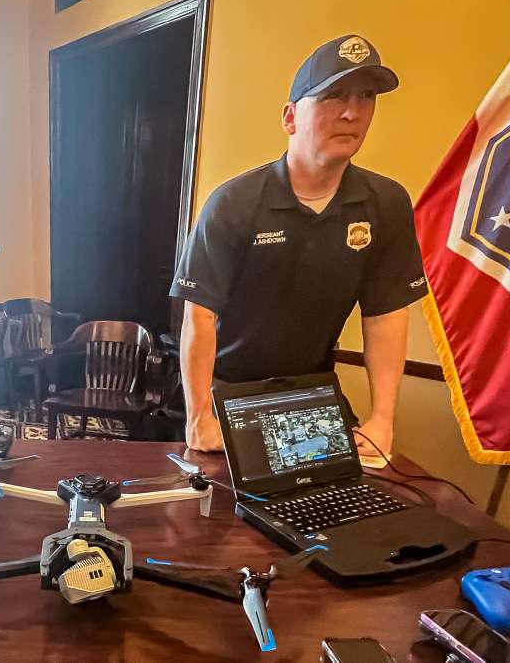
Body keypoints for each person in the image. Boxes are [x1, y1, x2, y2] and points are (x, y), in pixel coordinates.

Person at [170, 34, 428, 455]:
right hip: (232, 393)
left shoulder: (386, 203)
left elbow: (385, 315)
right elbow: (198, 316)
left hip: (315, 394)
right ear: (290, 117)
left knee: (335, 511)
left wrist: (383, 418)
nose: (351, 112)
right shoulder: (234, 204)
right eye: (333, 96)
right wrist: (199, 417)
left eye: (366, 97)